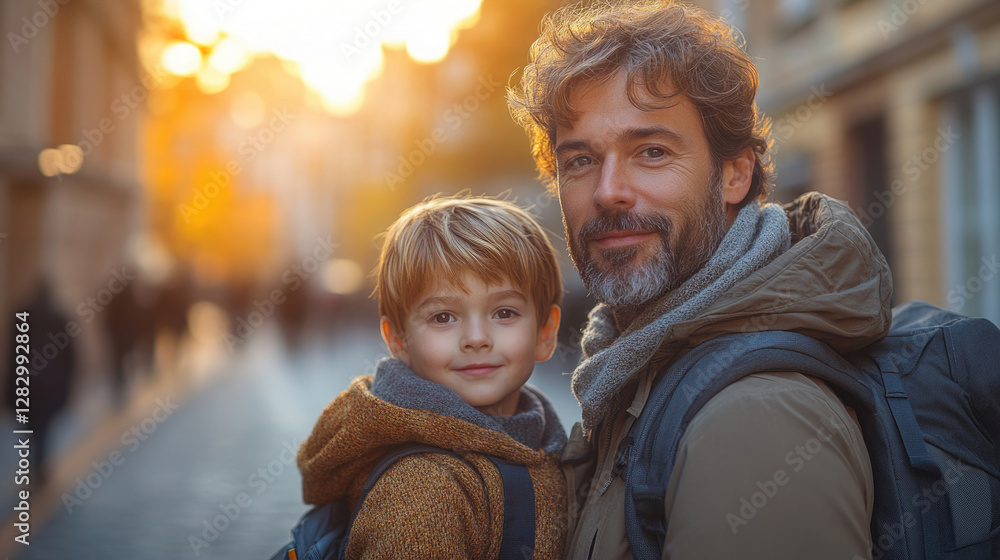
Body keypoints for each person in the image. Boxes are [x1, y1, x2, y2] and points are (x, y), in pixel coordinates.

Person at [508, 2, 888, 558]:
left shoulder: (756, 422)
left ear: (734, 173)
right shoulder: (630, 367)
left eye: (652, 152)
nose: (608, 190)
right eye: (580, 161)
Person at [296, 196, 569, 559]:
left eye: (504, 312)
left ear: (545, 333)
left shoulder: (549, 448)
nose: (476, 337)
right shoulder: (423, 493)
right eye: (443, 317)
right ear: (398, 340)